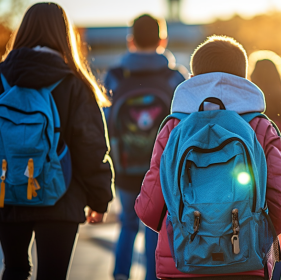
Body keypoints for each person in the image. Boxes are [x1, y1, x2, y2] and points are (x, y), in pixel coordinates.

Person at [0, 3, 113, 280]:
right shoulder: (75, 85)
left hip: (9, 192)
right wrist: (99, 198)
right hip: (62, 197)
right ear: (64, 34)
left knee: (15, 269)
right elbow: (91, 147)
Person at [134, 35, 281, 280]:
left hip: (183, 265)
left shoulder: (174, 127)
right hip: (246, 265)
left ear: (193, 79)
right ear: (244, 79)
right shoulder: (260, 127)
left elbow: (149, 210)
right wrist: (252, 231)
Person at [104, 14, 187, 280]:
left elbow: (105, 122)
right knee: (158, 226)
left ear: (131, 41)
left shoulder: (115, 77)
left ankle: (120, 274)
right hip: (164, 171)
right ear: (163, 39)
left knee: (127, 223)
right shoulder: (175, 78)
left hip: (125, 166)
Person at [248, 50, 281, 280]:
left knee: (252, 225)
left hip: (253, 179)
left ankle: (257, 270)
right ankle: (275, 272)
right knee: (280, 227)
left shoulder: (249, 107)